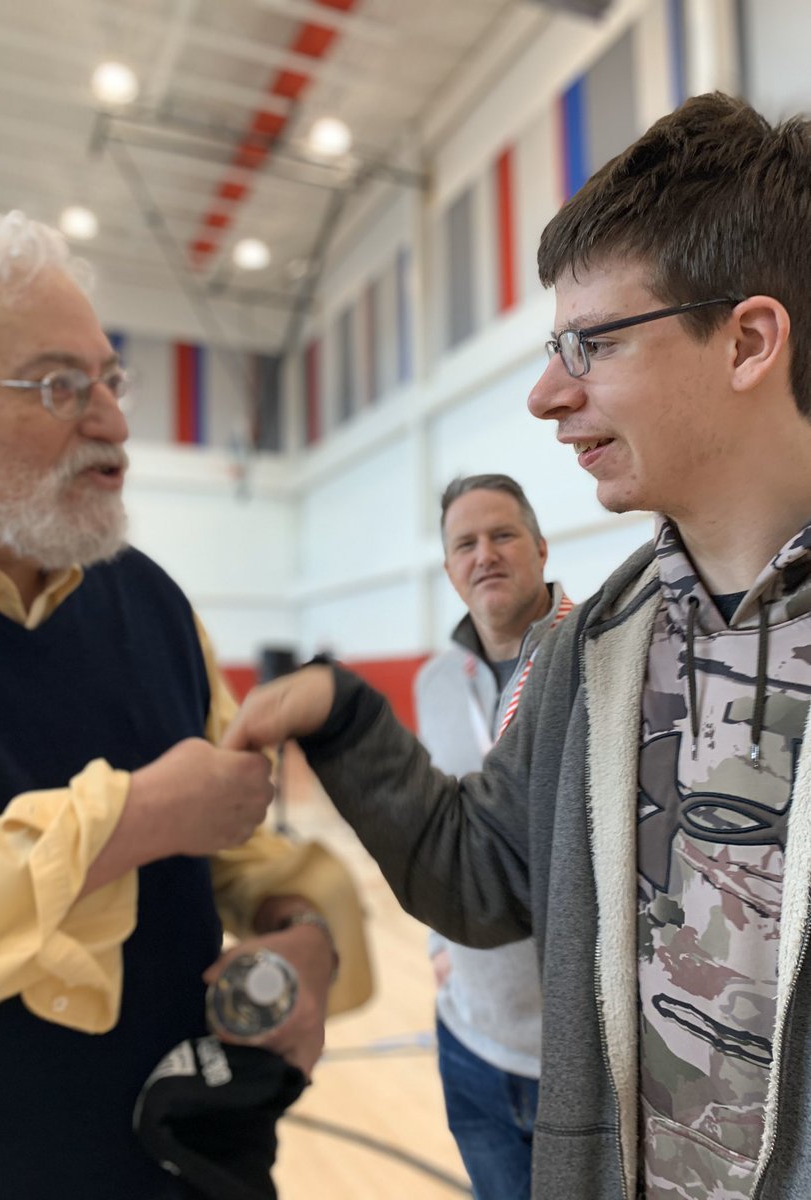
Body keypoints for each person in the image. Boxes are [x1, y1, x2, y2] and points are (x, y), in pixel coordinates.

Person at [224, 92, 811, 1200]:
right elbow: (487, 871)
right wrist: (347, 720)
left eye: (590, 343)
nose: (548, 394)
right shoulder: (600, 650)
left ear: (747, 340)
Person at [0, 210, 371, 1200]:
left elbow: (236, 843)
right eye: (56, 386)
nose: (114, 422)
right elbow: (164, 812)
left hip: (184, 1168)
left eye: (110, 380)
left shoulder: (154, 603)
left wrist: (306, 932)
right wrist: (125, 822)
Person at [414, 474, 572, 1200]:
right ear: (449, 569)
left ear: (540, 547)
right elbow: (434, 827)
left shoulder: (598, 659)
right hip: (470, 1038)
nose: (485, 555)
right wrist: (440, 945)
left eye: (502, 535)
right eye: (464, 543)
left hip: (581, 1057)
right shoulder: (434, 684)